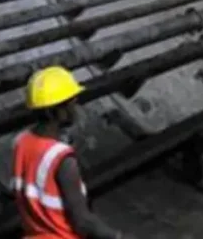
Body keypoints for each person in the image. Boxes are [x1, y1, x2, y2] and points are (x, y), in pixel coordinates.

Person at [12, 66, 128, 239]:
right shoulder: (62, 159)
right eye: (72, 104)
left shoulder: (20, 142)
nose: (76, 109)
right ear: (55, 112)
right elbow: (83, 222)